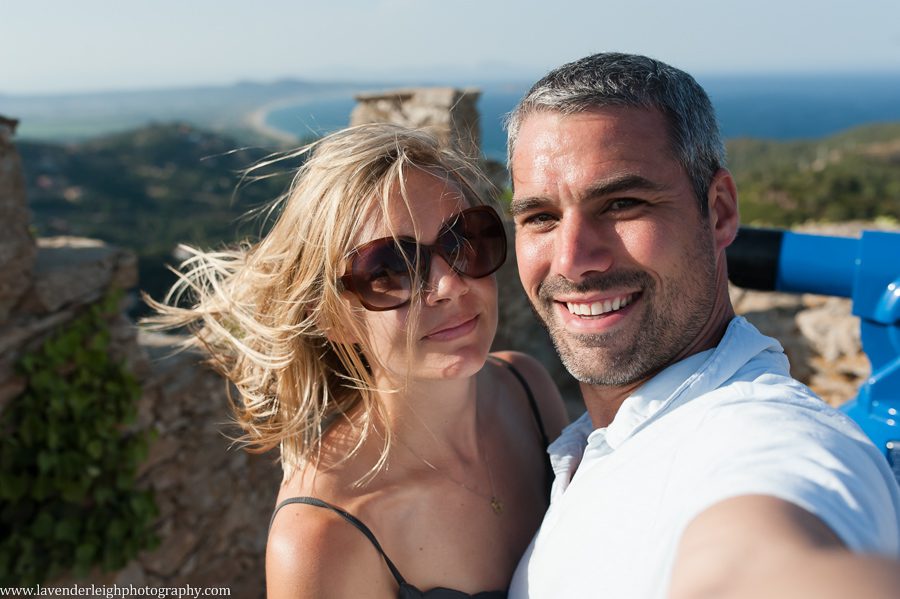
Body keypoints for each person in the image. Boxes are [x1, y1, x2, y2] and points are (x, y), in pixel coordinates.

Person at [504, 52, 900, 598]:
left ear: (719, 212)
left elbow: (764, 560)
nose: (572, 260)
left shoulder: (767, 439)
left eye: (621, 204)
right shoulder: (593, 445)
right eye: (541, 217)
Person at [147, 123, 567, 598]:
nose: (450, 285)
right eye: (391, 269)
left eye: (463, 241)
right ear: (332, 318)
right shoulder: (323, 536)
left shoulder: (526, 388)